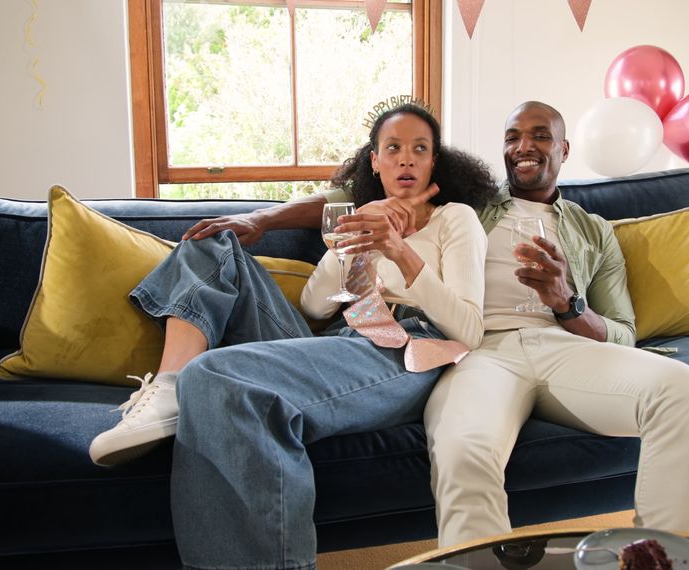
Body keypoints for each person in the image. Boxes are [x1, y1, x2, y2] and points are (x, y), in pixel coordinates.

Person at [194, 101, 689, 549]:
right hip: (476, 353)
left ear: (564, 150)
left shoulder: (595, 231)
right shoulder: (469, 201)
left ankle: (665, 558)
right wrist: (263, 219)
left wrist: (568, 303)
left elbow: (624, 332)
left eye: (541, 136)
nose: (524, 146)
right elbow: (347, 203)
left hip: (563, 345)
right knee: (464, 451)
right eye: (512, 137)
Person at [89, 103, 498, 569]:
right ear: (375, 162)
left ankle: (187, 386)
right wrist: (356, 240)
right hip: (343, 335)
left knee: (213, 376)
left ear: (433, 161)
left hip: (408, 347)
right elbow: (315, 307)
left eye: (420, 149)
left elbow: (468, 330)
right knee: (213, 243)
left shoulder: (455, 218)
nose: (406, 158)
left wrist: (399, 250)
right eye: (394, 148)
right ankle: (167, 386)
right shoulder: (363, 216)